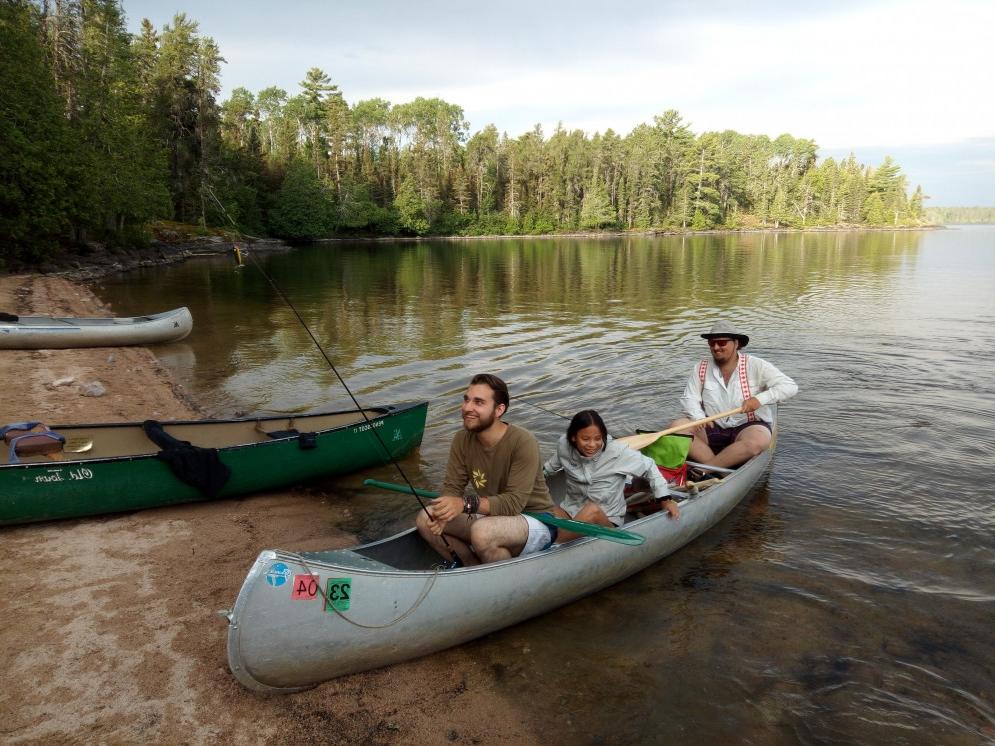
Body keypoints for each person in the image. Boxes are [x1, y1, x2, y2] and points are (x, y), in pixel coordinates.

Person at [415, 373, 556, 565]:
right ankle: (472, 568)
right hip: (493, 516)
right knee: (426, 517)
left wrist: (463, 504)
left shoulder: (523, 441)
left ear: (499, 410)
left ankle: (505, 580)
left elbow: (513, 503)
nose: (467, 408)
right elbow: (452, 490)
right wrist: (445, 511)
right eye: (466, 400)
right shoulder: (461, 439)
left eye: (478, 402)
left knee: (482, 532)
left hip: (535, 519)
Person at [672, 321, 798, 469]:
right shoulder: (701, 367)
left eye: (722, 342)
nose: (716, 347)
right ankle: (716, 467)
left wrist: (759, 399)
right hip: (712, 426)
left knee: (756, 442)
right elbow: (690, 398)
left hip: (746, 427)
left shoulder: (756, 365)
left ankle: (704, 469)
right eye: (712, 343)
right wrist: (699, 418)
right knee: (677, 427)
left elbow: (790, 386)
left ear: (736, 343)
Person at [543, 410, 679, 542]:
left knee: (592, 510)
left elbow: (649, 466)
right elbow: (548, 469)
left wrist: (665, 499)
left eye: (598, 439)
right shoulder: (564, 446)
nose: (592, 445)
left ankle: (554, 544)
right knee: (541, 506)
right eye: (585, 439)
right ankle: (555, 537)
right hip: (571, 512)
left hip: (606, 519)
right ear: (573, 438)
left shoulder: (617, 452)